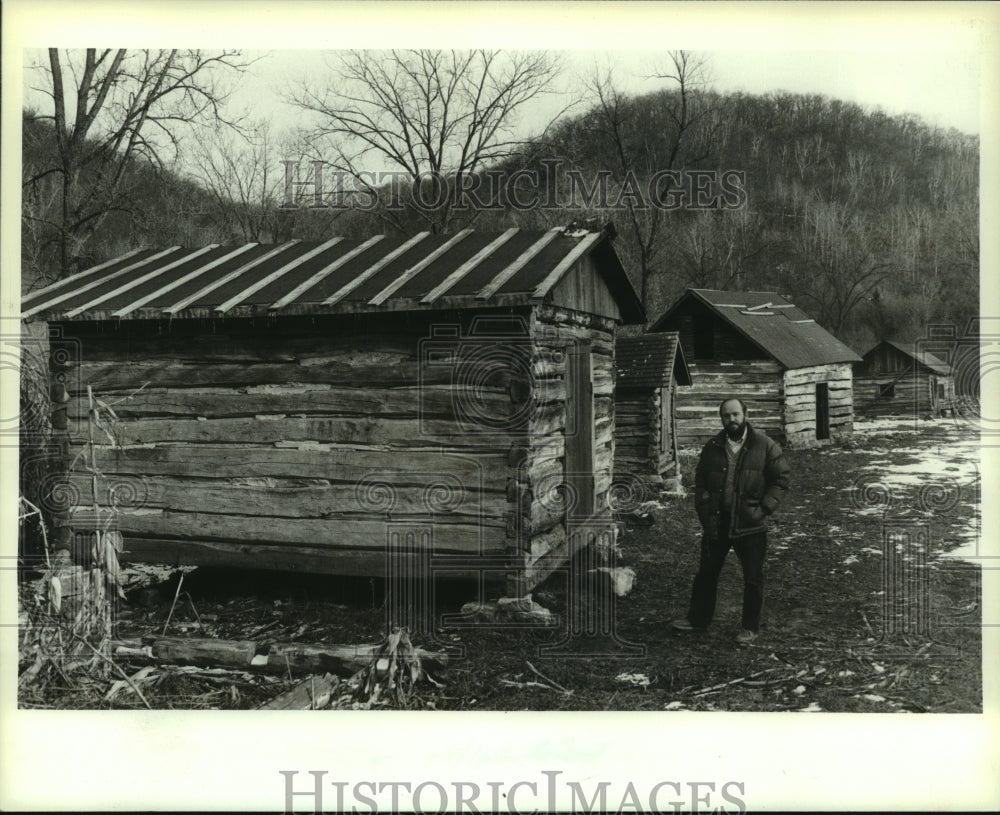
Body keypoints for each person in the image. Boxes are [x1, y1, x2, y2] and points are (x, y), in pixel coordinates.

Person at [672, 397, 790, 644]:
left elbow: (780, 480)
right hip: (718, 522)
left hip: (751, 524)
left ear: (745, 414)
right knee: (706, 573)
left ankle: (750, 627)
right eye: (726, 416)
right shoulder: (713, 446)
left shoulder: (765, 446)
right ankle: (698, 620)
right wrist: (704, 511)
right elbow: (701, 481)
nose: (731, 420)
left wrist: (763, 510)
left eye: (735, 414)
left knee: (753, 577)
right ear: (721, 418)